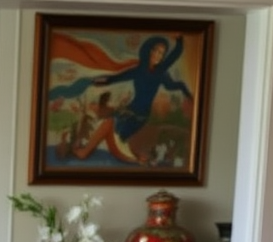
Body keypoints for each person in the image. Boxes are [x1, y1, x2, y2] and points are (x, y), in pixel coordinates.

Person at [51, 34, 193, 167]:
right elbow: (116, 78)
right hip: (129, 109)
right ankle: (93, 152)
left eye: (161, 53)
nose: (157, 55)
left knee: (110, 124)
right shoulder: (138, 70)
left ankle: (87, 152)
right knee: (110, 126)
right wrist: (99, 81)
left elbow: (175, 56)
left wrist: (179, 40)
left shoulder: (160, 71)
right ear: (148, 50)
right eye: (155, 50)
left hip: (140, 115)